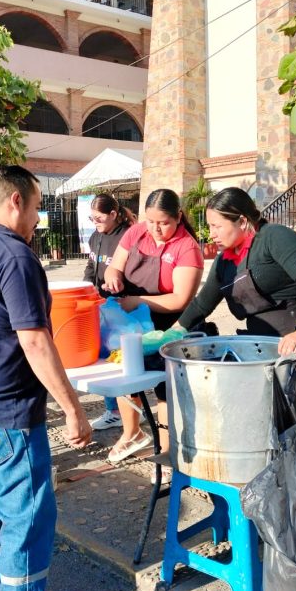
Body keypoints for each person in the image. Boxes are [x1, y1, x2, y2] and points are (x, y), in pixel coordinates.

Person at [0, 166, 92, 591]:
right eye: (37, 208)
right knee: (27, 524)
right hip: (7, 411)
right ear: (15, 201)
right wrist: (73, 408)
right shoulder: (13, 254)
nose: (37, 220)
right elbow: (35, 341)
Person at [176, 187, 296, 501]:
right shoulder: (225, 262)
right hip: (271, 358)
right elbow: (202, 305)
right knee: (283, 437)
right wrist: (169, 336)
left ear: (243, 221)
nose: (211, 233)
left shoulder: (274, 237)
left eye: (217, 225)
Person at [101, 189, 203, 475]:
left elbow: (180, 299)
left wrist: (139, 301)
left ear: (178, 217)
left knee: (164, 389)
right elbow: (114, 267)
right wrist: (113, 278)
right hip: (132, 322)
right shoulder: (136, 233)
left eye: (164, 223)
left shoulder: (187, 247)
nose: (156, 229)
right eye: (151, 222)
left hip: (169, 328)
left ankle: (169, 451)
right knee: (126, 375)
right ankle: (131, 433)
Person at [83, 193, 137, 431]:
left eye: (99, 218)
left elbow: (134, 270)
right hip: (99, 303)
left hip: (119, 304)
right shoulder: (96, 236)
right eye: (91, 218)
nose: (95, 223)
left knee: (122, 359)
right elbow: (91, 264)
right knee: (104, 355)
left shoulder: (126, 236)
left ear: (114, 215)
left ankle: (126, 410)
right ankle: (113, 409)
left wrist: (119, 286)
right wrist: (86, 285)